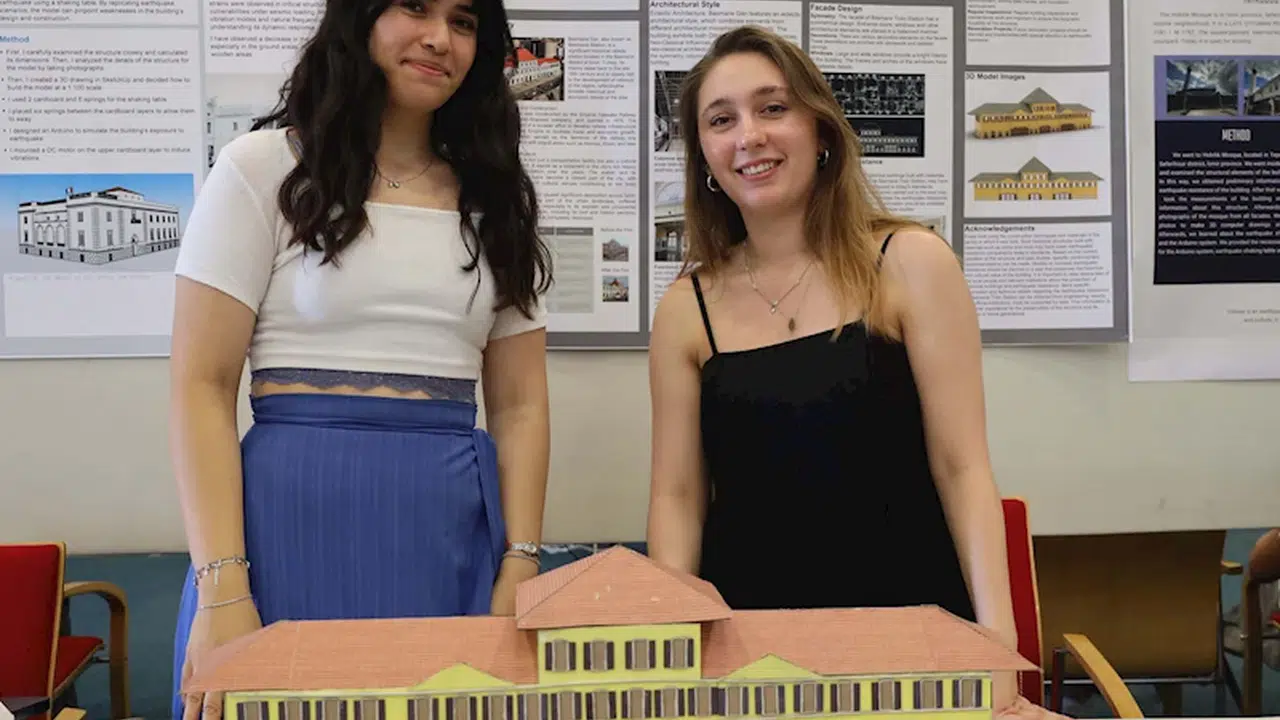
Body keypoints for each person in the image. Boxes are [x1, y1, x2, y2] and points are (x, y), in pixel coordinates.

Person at [168, 0, 552, 717]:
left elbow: (522, 405)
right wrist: (223, 589)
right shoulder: (263, 169)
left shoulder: (495, 199)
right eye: (415, 7)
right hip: (281, 533)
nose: (439, 38)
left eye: (464, 22)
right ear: (359, 18)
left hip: (446, 535)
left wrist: (521, 561)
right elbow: (201, 386)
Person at [645, 24, 1027, 714]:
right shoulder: (685, 309)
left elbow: (963, 467)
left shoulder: (909, 261)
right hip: (753, 658)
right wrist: (672, 657)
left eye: (772, 108)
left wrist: (998, 645)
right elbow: (677, 498)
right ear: (704, 157)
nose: (749, 136)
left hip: (913, 641)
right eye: (721, 120)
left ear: (820, 130)